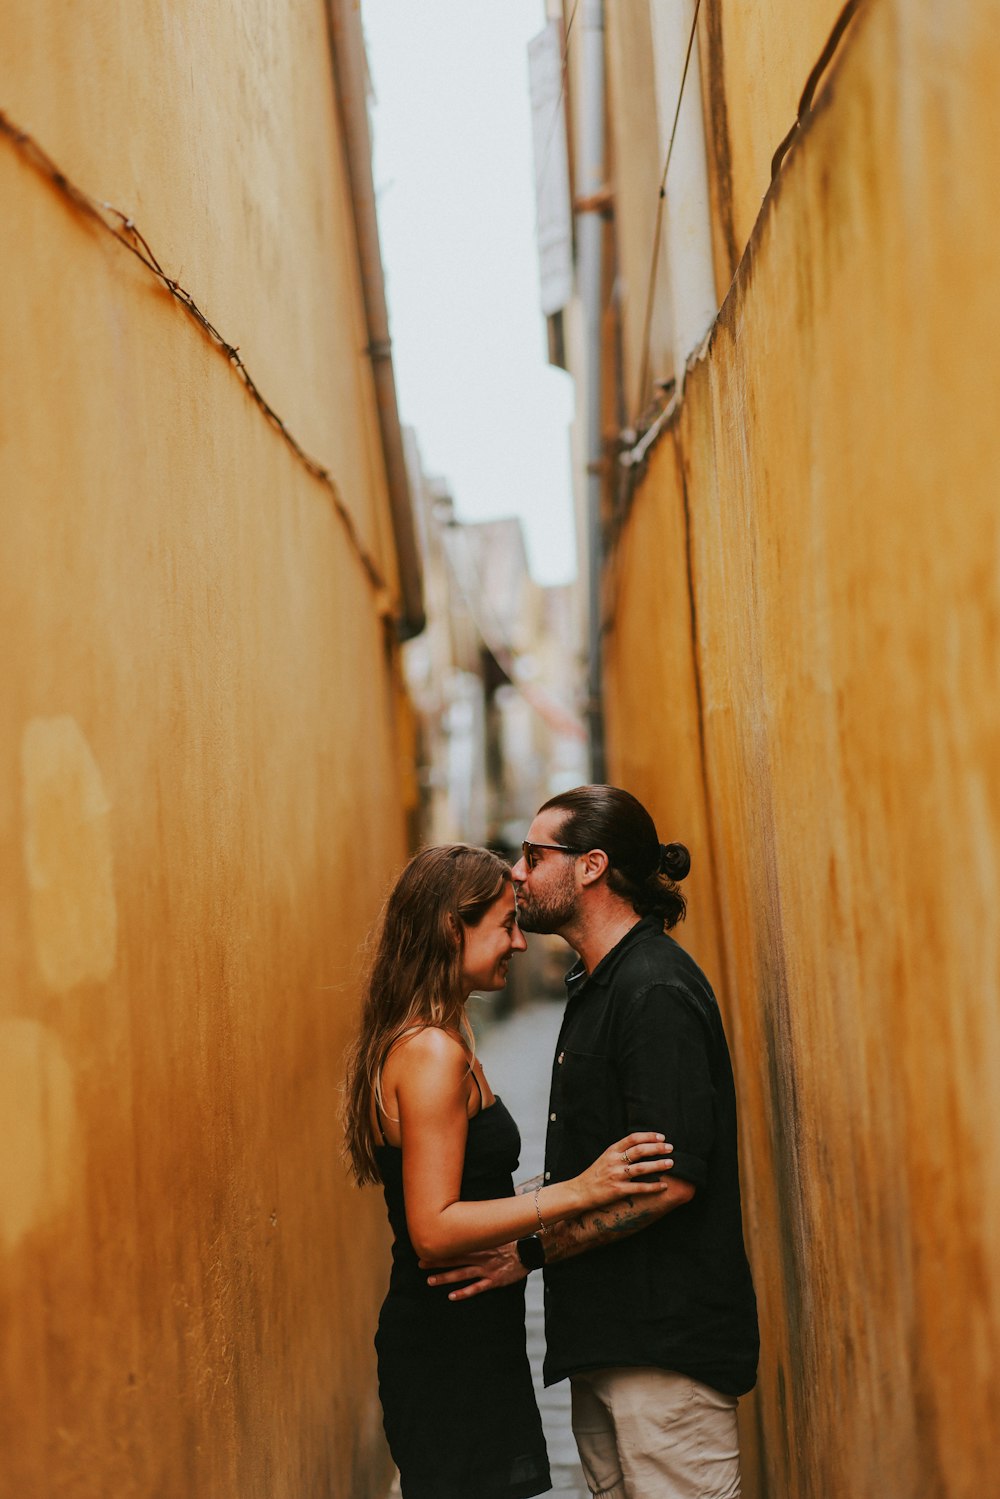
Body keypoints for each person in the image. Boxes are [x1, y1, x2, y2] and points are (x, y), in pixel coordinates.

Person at [426, 788, 759, 1499]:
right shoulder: (603, 982)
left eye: (535, 854)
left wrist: (533, 1248)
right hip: (610, 1345)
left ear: (591, 866)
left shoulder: (653, 989)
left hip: (663, 1355)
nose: (517, 873)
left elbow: (669, 1181)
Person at [342, 843, 677, 1499]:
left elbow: (468, 1192)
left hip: (467, 1337)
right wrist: (579, 1190)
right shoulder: (432, 1052)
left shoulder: (434, 1037)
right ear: (451, 928)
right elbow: (433, 1229)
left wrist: (547, 1199)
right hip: (448, 1347)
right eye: (504, 923)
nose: (519, 944)